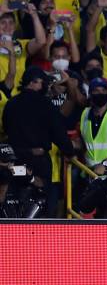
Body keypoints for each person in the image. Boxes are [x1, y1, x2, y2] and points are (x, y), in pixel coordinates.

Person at [2, 66, 74, 217]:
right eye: (43, 83)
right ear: (34, 82)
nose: (45, 87)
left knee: (13, 202)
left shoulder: (10, 104)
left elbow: (7, 130)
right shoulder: (45, 105)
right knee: (41, 203)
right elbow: (59, 133)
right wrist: (69, 151)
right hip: (38, 162)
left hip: (15, 161)